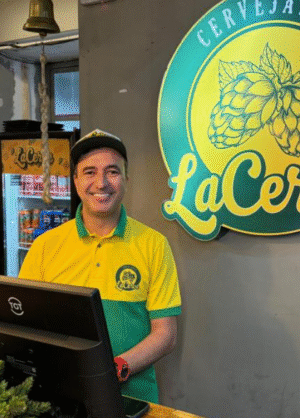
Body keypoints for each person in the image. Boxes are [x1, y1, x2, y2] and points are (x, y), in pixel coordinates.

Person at [18, 129, 182, 403]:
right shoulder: (45, 246)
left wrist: (115, 369)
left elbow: (165, 334)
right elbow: (25, 323)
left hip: (132, 399)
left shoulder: (154, 244)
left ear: (126, 179)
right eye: (89, 172)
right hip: (61, 394)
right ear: (75, 181)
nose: (101, 182)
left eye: (112, 172)